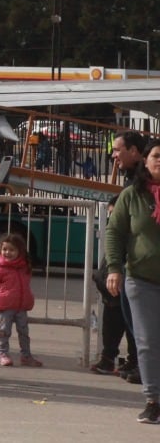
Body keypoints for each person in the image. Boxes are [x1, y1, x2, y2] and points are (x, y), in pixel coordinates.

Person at [105, 142, 160, 424]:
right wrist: (114, 268)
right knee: (148, 341)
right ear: (146, 161)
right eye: (156, 155)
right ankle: (154, 400)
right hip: (141, 280)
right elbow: (114, 233)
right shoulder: (132, 195)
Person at [95, 130, 148, 378]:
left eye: (118, 150)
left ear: (135, 152)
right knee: (118, 304)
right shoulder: (131, 181)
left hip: (137, 262)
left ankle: (137, 362)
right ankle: (118, 357)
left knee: (134, 312)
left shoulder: (142, 182)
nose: (113, 155)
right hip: (125, 260)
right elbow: (115, 229)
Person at [0, 231, 40, 367]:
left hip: (21, 305)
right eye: (4, 249)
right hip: (6, 305)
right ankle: (3, 354)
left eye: (11, 250)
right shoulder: (0, 267)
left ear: (19, 251)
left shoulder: (24, 267)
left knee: (24, 332)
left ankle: (26, 356)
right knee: (4, 331)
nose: (7, 253)